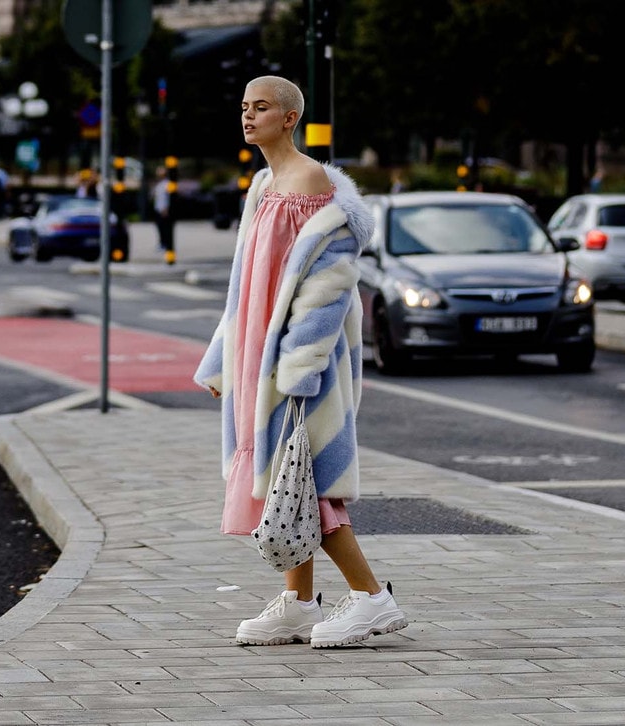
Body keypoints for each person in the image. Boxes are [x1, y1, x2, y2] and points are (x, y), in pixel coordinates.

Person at [193, 75, 407, 649]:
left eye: (261, 107)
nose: (248, 116)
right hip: (259, 352)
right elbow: (243, 286)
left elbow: (327, 286)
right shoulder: (263, 183)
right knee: (282, 474)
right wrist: (223, 360)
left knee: (308, 480)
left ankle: (371, 599)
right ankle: (299, 603)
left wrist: (298, 368)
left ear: (290, 118)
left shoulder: (310, 180)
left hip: (297, 360)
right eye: (243, 107)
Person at [153, 165, 175, 263]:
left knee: (166, 229)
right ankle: (162, 243)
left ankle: (167, 247)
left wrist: (166, 209)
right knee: (159, 227)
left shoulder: (167, 184)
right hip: (158, 209)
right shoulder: (159, 184)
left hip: (164, 210)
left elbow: (169, 198)